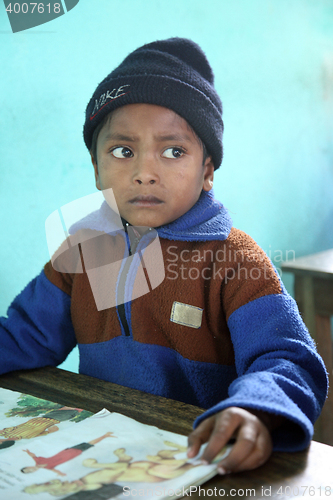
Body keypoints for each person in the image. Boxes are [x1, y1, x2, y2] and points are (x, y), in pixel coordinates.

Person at [0, 38, 328, 475]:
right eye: (123, 151)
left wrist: (257, 411)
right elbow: (25, 336)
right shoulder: (83, 248)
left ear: (207, 171)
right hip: (100, 456)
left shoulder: (235, 260)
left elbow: (288, 359)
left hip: (200, 461)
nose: (144, 172)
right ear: (96, 168)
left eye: (174, 151)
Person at [21, 432, 115, 475]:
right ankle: (105, 436)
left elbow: (32, 455)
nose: (31, 470)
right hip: (75, 454)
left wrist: (28, 452)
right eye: (30, 472)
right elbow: (57, 472)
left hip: (68, 451)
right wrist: (62, 475)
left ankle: (104, 435)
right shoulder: (48, 468)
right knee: (89, 444)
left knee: (89, 443)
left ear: (28, 467)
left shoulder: (38, 461)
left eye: (28, 469)